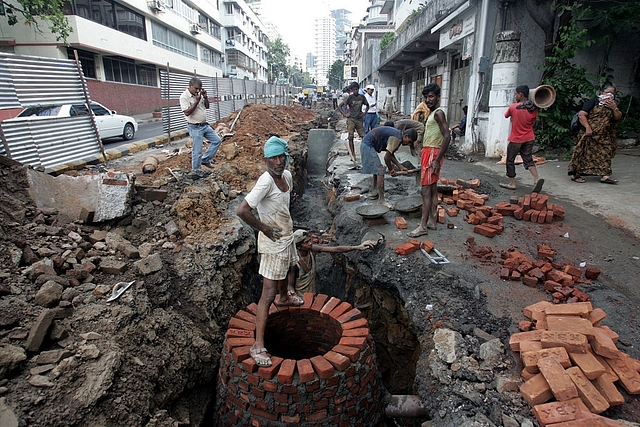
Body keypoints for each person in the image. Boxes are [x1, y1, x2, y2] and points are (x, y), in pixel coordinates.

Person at [235, 136, 303, 368]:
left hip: (285, 237)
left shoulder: (287, 177)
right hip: (272, 244)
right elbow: (242, 210)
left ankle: (285, 298)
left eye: (281, 156)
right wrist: (265, 228)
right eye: (273, 158)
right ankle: (258, 345)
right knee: (267, 295)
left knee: (289, 269)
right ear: (266, 160)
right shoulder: (265, 181)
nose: (278, 162)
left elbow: (284, 205)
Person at [407, 83, 450, 238]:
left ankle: (422, 226)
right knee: (431, 189)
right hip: (429, 152)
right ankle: (432, 220)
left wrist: (437, 160)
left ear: (438, 97)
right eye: (426, 97)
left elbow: (447, 136)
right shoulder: (431, 113)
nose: (428, 100)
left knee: (425, 190)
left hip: (433, 152)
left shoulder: (438, 113)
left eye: (431, 96)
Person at [291, 230, 375, 297]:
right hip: (300, 297)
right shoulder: (294, 263)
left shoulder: (312, 250)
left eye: (310, 240)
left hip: (313, 294)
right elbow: (289, 285)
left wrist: (358, 247)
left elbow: (336, 249)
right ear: (299, 246)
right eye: (306, 242)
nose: (310, 243)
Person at [568, 84, 623, 184]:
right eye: (607, 92)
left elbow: (617, 117)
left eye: (612, 93)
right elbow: (582, 114)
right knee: (584, 153)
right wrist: (588, 128)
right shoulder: (594, 102)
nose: (609, 95)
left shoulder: (612, 105)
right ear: (602, 93)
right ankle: (576, 175)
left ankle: (605, 176)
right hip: (589, 133)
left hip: (603, 135)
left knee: (605, 152)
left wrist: (614, 108)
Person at [499, 85, 544, 192]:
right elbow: (532, 121)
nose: (515, 96)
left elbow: (506, 115)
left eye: (516, 94)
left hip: (516, 139)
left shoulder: (513, 107)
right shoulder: (533, 109)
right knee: (528, 159)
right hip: (529, 137)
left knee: (510, 160)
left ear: (521, 94)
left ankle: (512, 183)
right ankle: (537, 178)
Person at [360, 126, 418, 209]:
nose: (408, 145)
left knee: (377, 169)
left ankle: (374, 192)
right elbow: (387, 157)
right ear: (406, 136)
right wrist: (391, 170)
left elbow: (391, 154)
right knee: (380, 170)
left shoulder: (398, 135)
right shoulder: (397, 138)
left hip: (367, 144)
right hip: (367, 145)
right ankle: (381, 200)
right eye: (409, 142)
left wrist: (400, 166)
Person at [179, 77, 222, 173]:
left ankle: (205, 159)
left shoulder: (199, 95)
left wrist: (205, 97)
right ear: (190, 86)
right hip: (195, 127)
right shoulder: (184, 97)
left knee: (217, 140)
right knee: (197, 151)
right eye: (196, 88)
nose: (197, 91)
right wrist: (196, 101)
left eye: (199, 89)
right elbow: (187, 112)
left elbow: (207, 106)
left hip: (204, 125)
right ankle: (196, 171)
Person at [338, 82, 369, 164]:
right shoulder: (349, 98)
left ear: (358, 89)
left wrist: (364, 113)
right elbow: (340, 106)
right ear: (351, 90)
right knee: (350, 137)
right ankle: (353, 155)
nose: (355, 91)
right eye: (354, 90)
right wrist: (345, 114)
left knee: (364, 136)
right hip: (351, 119)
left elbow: (367, 105)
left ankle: (365, 154)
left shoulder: (362, 97)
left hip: (359, 119)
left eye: (357, 89)